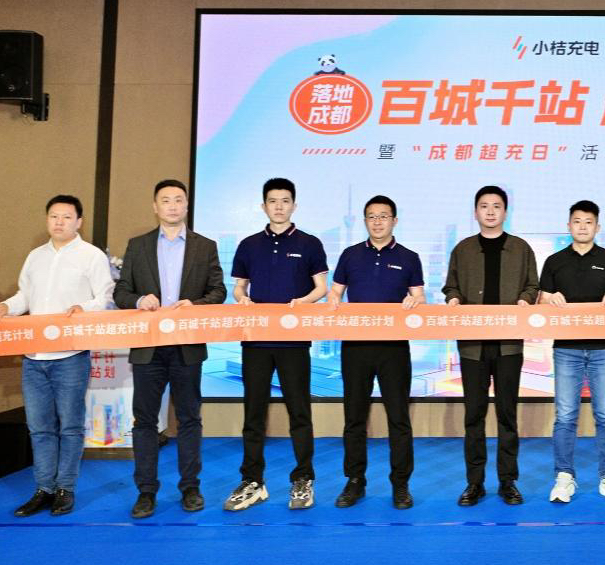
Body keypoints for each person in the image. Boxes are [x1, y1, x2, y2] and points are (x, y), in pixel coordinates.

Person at [0, 195, 114, 517]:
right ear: (47, 220)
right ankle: (43, 488)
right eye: (54, 216)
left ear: (79, 222)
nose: (59, 222)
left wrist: (85, 308)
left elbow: (106, 297)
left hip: (71, 355)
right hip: (34, 357)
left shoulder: (91, 255)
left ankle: (65, 489)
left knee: (70, 426)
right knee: (39, 428)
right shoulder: (35, 256)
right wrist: (5, 307)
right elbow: (24, 297)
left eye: (66, 217)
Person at [114, 179, 226, 519]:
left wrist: (195, 305)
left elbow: (218, 291)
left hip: (187, 346)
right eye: (166, 200)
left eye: (179, 200)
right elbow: (121, 292)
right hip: (149, 347)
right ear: (155, 206)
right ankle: (146, 492)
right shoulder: (138, 246)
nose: (173, 206)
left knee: (189, 418)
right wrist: (138, 300)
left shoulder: (205, 246)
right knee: (145, 421)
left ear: (187, 206)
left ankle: (190, 487)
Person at [223, 178, 329, 511]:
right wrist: (242, 298)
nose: (279, 206)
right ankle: (252, 481)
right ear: (263, 206)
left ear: (294, 205)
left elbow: (321, 288)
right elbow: (239, 287)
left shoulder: (309, 243)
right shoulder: (249, 245)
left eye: (285, 201)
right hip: (255, 340)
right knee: (253, 413)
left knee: (299, 412)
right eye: (273, 201)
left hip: (294, 341)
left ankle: (303, 479)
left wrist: (303, 302)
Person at [443, 185, 539, 506]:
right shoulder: (463, 249)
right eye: (484, 206)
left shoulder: (521, 249)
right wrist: (453, 299)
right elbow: (451, 286)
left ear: (505, 212)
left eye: (496, 206)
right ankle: (474, 483)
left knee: (507, 415)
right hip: (473, 346)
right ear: (475, 212)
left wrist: (525, 300)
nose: (490, 211)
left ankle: (508, 482)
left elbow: (532, 285)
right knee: (474, 415)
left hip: (509, 345)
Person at [329, 195, 424, 510]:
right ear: (364, 221)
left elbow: (420, 297)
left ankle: (401, 484)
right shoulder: (351, 255)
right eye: (371, 216)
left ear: (395, 221)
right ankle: (355, 481)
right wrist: (333, 301)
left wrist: (415, 301)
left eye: (384, 216)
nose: (377, 222)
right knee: (354, 417)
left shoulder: (409, 257)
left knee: (398, 418)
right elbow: (335, 292)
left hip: (393, 349)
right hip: (355, 347)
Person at [539, 200, 605, 504]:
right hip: (566, 349)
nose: (582, 227)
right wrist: (550, 299)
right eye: (577, 221)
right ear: (569, 226)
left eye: (588, 222)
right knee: (565, 416)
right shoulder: (554, 261)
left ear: (597, 227)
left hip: (604, 347)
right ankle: (564, 476)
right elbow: (541, 300)